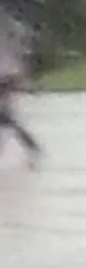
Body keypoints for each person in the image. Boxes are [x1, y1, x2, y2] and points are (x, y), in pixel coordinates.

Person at [0, 10, 41, 165]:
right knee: (6, 118)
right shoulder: (14, 28)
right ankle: (32, 147)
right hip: (8, 75)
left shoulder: (10, 29)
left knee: (6, 118)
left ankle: (32, 147)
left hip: (5, 76)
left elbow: (20, 55)